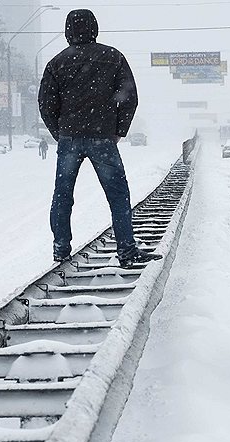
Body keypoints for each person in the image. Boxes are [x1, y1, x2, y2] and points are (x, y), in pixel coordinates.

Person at [37, 9, 161, 267]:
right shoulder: (113, 57)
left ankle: (60, 251)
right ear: (94, 28)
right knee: (118, 195)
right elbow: (129, 96)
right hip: (103, 137)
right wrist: (119, 130)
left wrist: (60, 134)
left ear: (68, 30)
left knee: (62, 196)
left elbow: (46, 104)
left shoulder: (56, 63)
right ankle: (126, 251)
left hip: (70, 138)